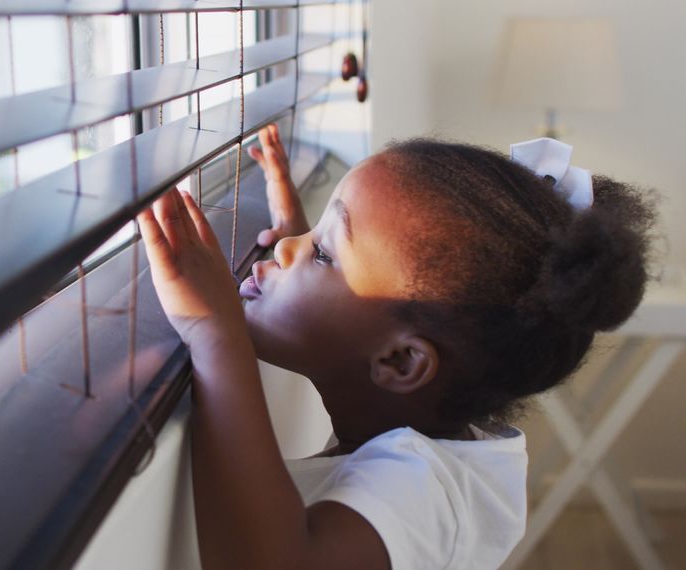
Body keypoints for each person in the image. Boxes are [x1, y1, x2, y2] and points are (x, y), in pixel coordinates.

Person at [135, 124, 657, 569]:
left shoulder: (427, 493)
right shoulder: (439, 436)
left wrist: (213, 334)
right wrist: (301, 239)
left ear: (401, 362)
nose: (283, 248)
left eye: (321, 253)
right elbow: (349, 319)